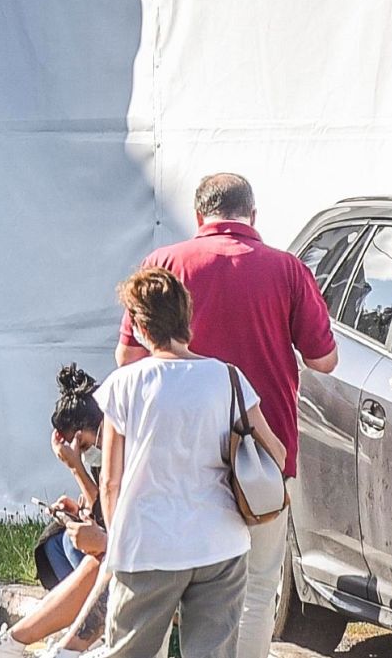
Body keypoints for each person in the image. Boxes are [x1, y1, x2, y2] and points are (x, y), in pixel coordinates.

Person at [114, 173, 336, 658]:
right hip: (257, 461)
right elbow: (324, 360)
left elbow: (127, 359)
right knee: (256, 590)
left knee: (164, 592)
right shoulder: (289, 270)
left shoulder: (163, 263)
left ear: (198, 217)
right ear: (252, 216)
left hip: (173, 458)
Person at [91, 267, 286, 658]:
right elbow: (276, 454)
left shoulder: (125, 383)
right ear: (186, 318)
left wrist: (116, 543)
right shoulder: (228, 378)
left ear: (141, 326)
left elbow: (110, 482)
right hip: (220, 542)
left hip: (148, 544)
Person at [0, 364, 111, 658]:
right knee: (58, 542)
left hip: (136, 555)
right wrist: (78, 511)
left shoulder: (120, 442)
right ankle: (76, 632)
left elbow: (114, 516)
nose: (90, 451)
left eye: (87, 444)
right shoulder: (101, 452)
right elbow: (102, 510)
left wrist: (76, 468)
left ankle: (29, 642)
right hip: (124, 547)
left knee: (94, 555)